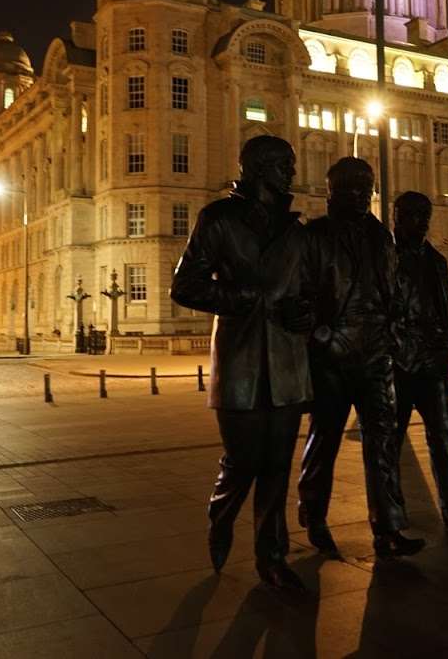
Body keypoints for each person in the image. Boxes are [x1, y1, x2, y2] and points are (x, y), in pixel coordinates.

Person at [170, 135, 314, 591]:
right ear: (257, 168)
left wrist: (306, 311)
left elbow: (308, 290)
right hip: (241, 358)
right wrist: (241, 297)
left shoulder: (296, 230)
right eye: (283, 165)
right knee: (243, 460)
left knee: (277, 465)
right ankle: (222, 513)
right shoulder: (219, 219)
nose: (291, 173)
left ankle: (271, 557)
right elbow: (186, 285)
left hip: (288, 359)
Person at [297, 157, 425, 557]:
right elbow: (298, 297)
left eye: (364, 186)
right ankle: (313, 515)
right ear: (330, 190)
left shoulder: (380, 236)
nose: (357, 193)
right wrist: (322, 336)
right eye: (348, 186)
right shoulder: (313, 235)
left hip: (375, 355)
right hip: (332, 356)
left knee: (383, 443)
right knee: (325, 439)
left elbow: (392, 291)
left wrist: (393, 336)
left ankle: (387, 526)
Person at [391, 191, 448, 539]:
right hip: (398, 365)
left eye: (425, 215)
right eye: (414, 214)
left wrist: (443, 354)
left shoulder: (437, 261)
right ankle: (391, 512)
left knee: (443, 440)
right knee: (390, 443)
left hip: (432, 366)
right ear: (397, 216)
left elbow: (445, 313)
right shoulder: (385, 257)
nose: (422, 221)